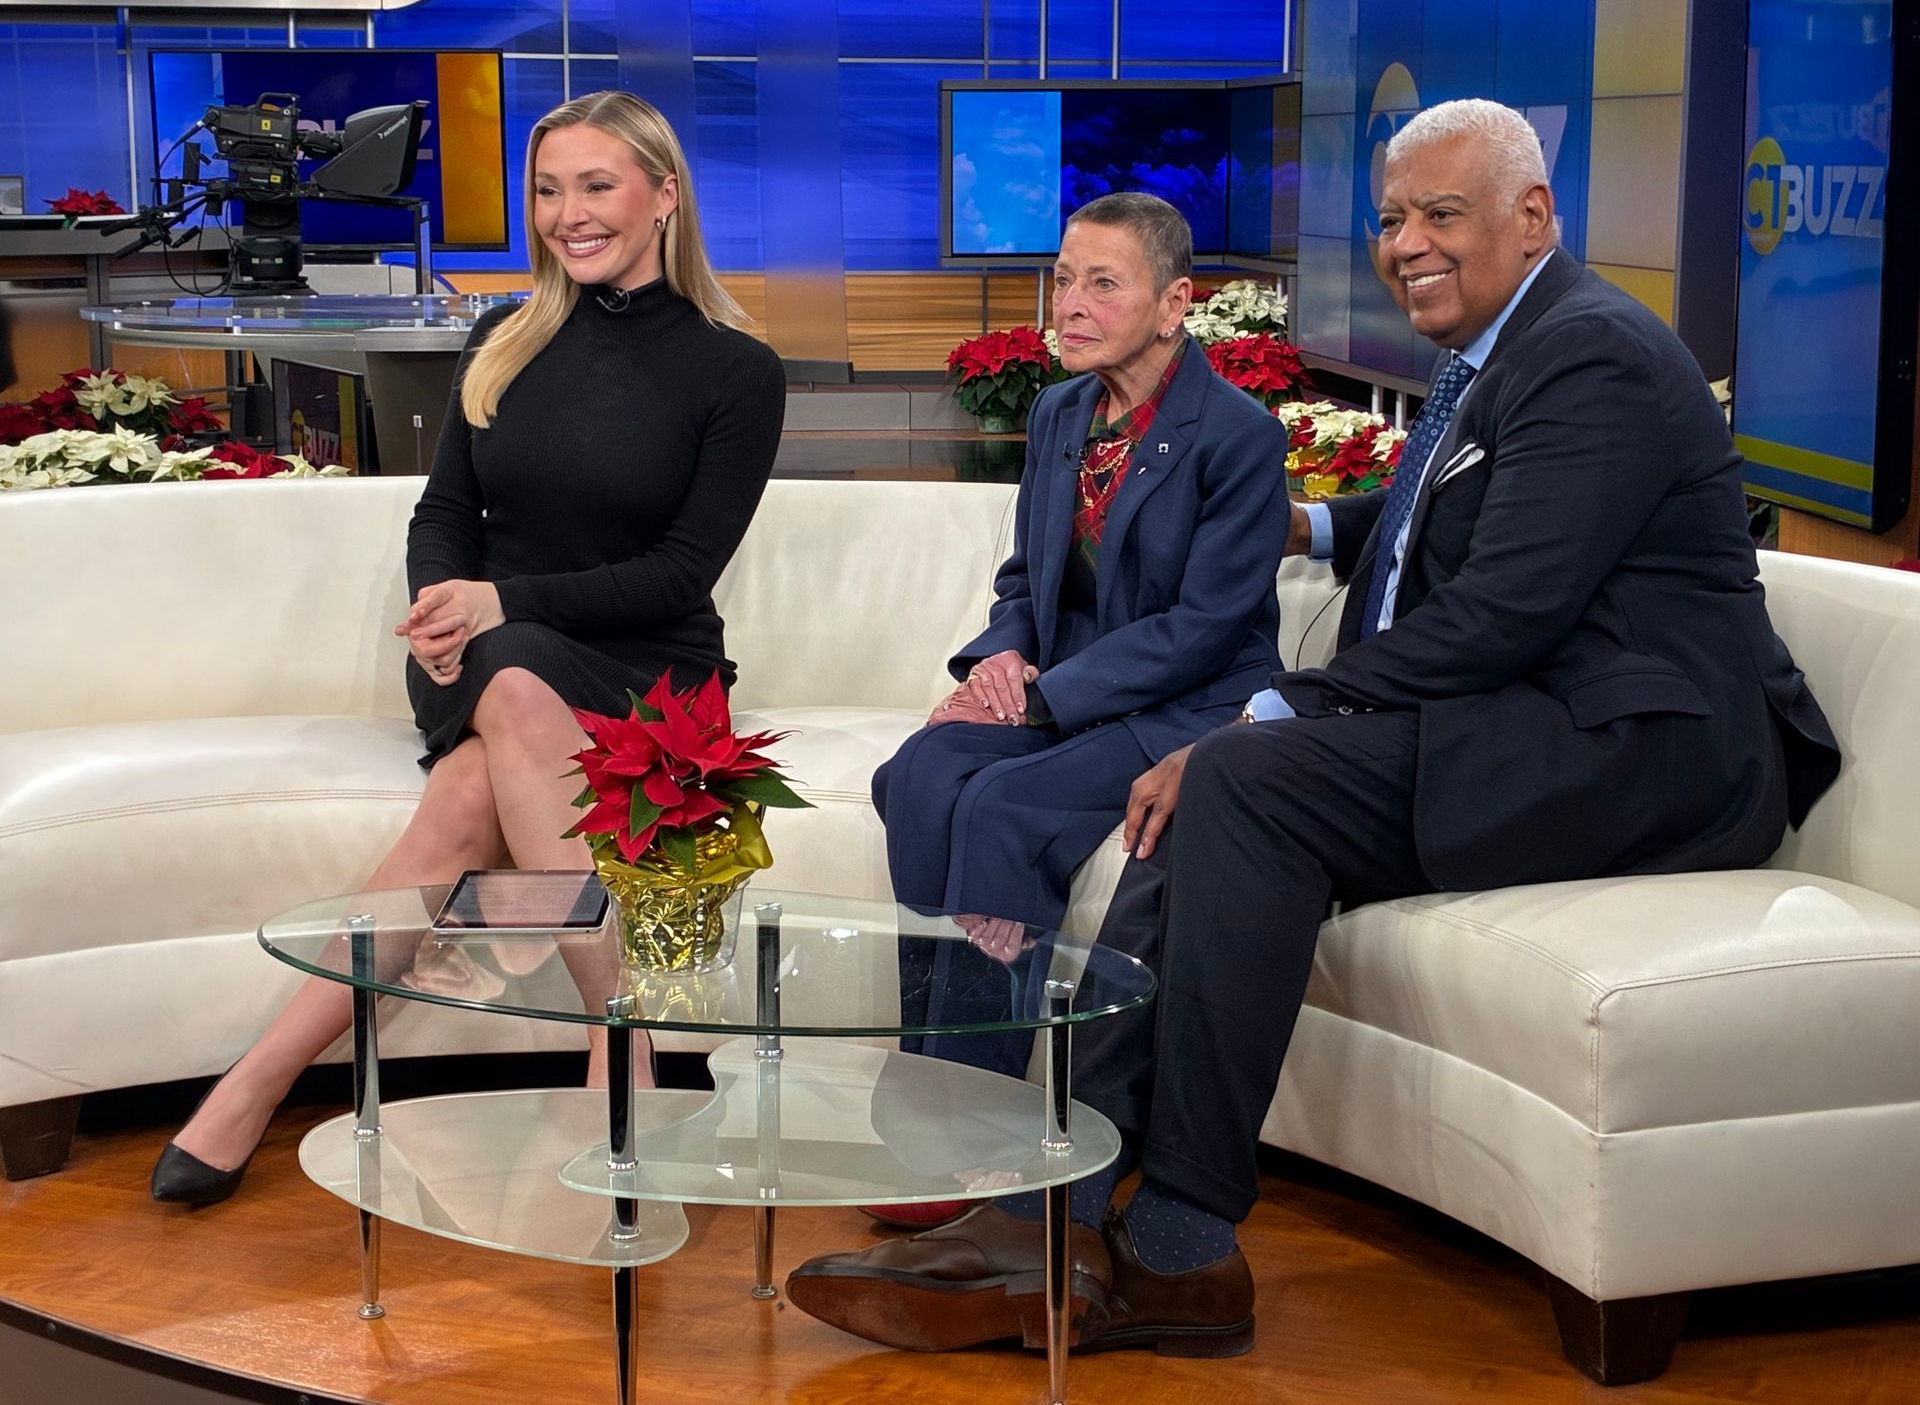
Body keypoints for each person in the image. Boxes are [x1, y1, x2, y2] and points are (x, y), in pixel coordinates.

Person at [784, 99, 1841, 1356]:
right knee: (1205, 808)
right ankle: (1060, 1219)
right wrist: (1315, 527)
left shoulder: (1592, 352)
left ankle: (1159, 1241)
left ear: (1533, 216)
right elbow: (1448, 494)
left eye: (1443, 214)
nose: (1408, 244)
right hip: (1533, 722)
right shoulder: (1507, 351)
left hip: (1647, 750)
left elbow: (1502, 611)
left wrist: (1271, 709)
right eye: (1394, 218)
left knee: (1237, 775)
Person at [150, 90, 786, 1206]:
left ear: (664, 195)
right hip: (491, 653)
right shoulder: (503, 336)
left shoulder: (737, 368)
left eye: (597, 185)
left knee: (462, 801)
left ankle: (253, 1082)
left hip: (647, 675)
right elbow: (445, 511)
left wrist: (500, 607)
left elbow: (682, 573)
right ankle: (627, 1044)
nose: (568, 214)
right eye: (549, 190)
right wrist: (446, 605)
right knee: (509, 678)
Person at [873, 191, 1292, 1086]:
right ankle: (923, 1069)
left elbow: (1205, 629)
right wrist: (1003, 655)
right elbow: (1026, 578)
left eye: (1103, 285)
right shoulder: (1060, 414)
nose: (1069, 306)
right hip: (1063, 691)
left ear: (1174, 305)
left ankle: (974, 1098)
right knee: (917, 772)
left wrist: (1043, 700)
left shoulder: (1240, 437)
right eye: (1063, 281)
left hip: (1187, 707)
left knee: (1001, 809)